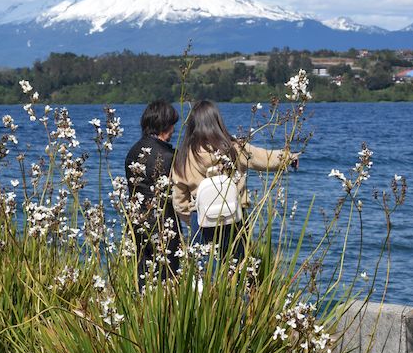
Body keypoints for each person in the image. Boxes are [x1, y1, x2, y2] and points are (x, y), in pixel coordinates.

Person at [171, 100, 298, 263]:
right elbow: (264, 158)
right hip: (234, 218)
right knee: (235, 271)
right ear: (217, 122)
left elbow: (179, 201)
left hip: (201, 222)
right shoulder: (233, 148)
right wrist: (289, 157)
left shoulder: (184, 156)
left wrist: (193, 219)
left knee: (205, 272)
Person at [123, 100, 181, 288]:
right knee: (167, 280)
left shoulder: (133, 151)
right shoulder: (168, 156)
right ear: (166, 126)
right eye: (173, 125)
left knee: (142, 277)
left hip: (136, 223)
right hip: (163, 225)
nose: (174, 130)